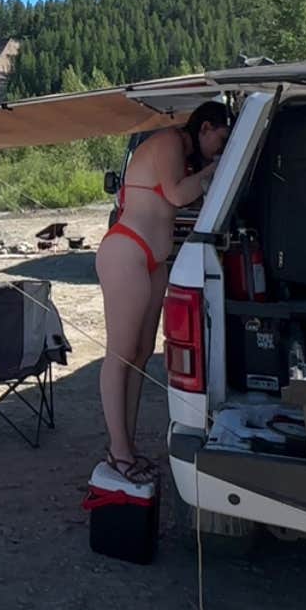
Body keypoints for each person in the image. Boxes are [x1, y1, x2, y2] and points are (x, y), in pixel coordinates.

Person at [95, 101, 232, 484]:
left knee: (139, 356)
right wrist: (213, 171)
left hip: (153, 259)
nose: (219, 149)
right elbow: (175, 195)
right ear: (205, 128)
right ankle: (118, 450)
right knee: (120, 355)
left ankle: (126, 446)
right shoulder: (171, 141)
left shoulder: (185, 155)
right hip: (127, 251)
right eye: (219, 139)